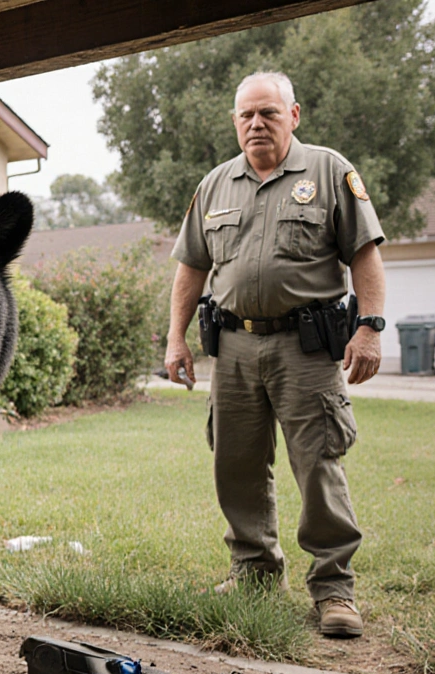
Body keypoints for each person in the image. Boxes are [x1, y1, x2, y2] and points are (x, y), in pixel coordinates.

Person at [164, 71, 387, 639]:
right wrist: (175, 338)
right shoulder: (215, 185)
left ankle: (334, 588)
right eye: (246, 115)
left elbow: (364, 253)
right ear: (235, 121)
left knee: (318, 464)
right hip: (233, 347)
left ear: (294, 115)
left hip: (306, 348)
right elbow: (191, 267)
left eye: (268, 112)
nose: (256, 124)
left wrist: (369, 328)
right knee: (235, 463)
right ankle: (254, 571)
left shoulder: (329, 171)